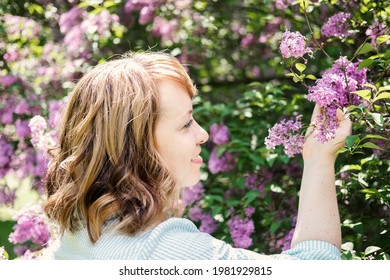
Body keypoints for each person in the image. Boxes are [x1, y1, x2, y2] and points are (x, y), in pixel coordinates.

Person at [41, 51, 351, 260]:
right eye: (186, 122)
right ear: (137, 146)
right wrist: (320, 159)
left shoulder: (79, 231)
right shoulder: (167, 251)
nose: (202, 134)